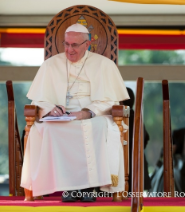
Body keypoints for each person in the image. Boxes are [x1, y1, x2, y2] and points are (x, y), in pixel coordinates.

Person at [21, 23, 129, 202]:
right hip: (62, 117)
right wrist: (50, 109)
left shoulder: (104, 65)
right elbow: (38, 100)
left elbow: (111, 100)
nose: (69, 50)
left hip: (95, 114)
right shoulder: (50, 65)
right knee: (48, 129)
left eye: (74, 45)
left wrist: (87, 112)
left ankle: (88, 188)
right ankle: (69, 188)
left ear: (87, 44)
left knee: (100, 127)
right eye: (66, 44)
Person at [120, 87, 151, 191]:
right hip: (137, 163)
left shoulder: (117, 117)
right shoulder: (137, 117)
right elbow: (146, 139)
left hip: (122, 164)